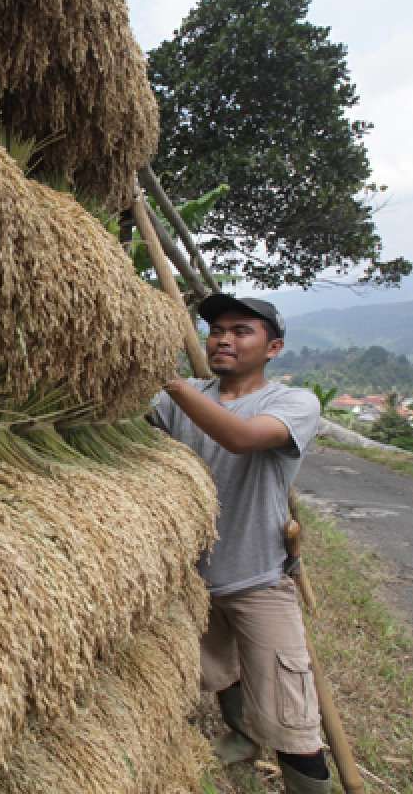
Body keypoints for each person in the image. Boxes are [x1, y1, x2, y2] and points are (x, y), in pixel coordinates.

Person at [151, 293, 330, 794]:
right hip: (192, 578)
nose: (223, 339)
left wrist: (171, 383)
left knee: (290, 710)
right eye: (216, 330)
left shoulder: (292, 403)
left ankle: (306, 782)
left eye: (240, 331)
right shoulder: (175, 402)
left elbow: (243, 438)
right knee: (217, 670)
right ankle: (242, 736)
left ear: (272, 347)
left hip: (258, 576)